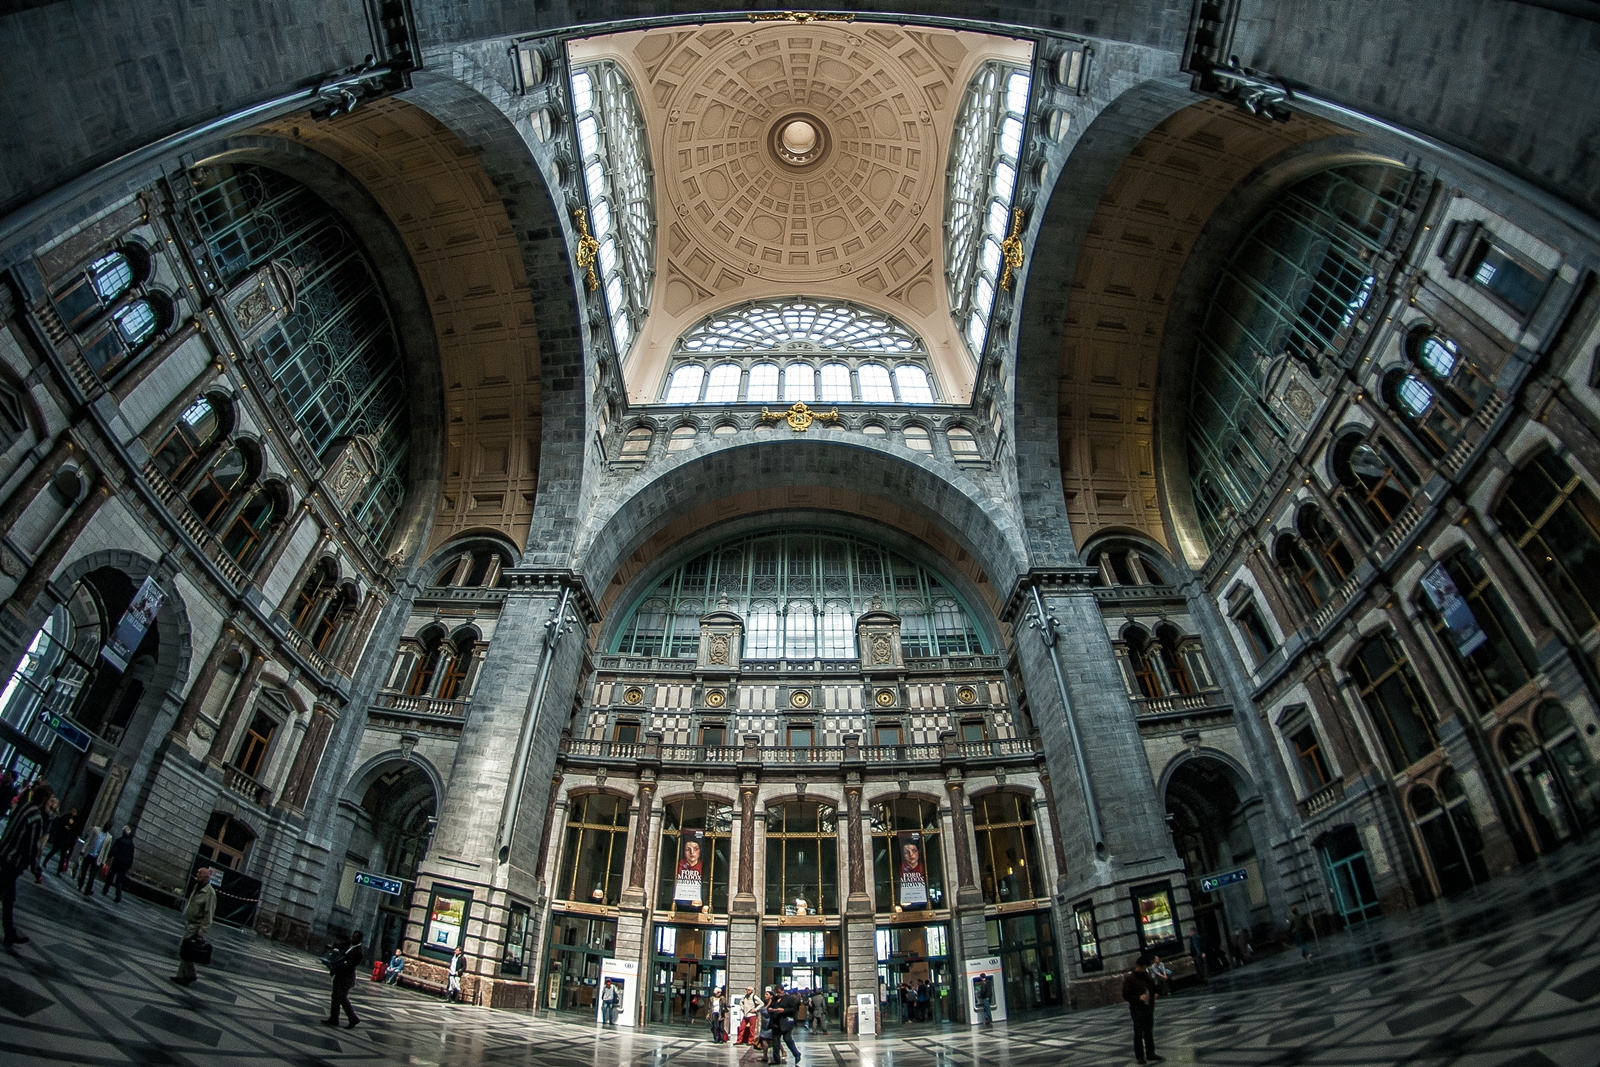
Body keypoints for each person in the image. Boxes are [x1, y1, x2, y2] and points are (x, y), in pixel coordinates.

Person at [0, 781, 54, 946]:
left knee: (9, 897)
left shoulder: (24, 807)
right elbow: (31, 847)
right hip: (13, 861)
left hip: (4, 854)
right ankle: (10, 933)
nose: (52, 805)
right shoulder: (36, 818)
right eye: (51, 800)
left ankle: (10, 932)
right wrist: (36, 870)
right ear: (44, 799)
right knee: (5, 894)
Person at [170, 865, 216, 985]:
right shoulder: (197, 887)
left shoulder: (209, 893)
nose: (197, 875)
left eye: (200, 873)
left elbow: (208, 914)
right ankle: (188, 975)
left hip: (196, 925)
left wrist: (202, 930)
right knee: (187, 950)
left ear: (206, 876)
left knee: (185, 948)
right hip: (190, 923)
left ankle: (186, 976)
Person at [1121, 953, 1162, 1065]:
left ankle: (1150, 1053)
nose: (1144, 969)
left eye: (1145, 968)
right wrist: (1138, 998)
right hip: (1137, 1008)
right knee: (1138, 1032)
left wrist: (1155, 993)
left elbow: (1153, 987)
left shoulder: (1147, 976)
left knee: (1148, 1031)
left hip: (1148, 1007)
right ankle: (1140, 1056)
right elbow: (1126, 995)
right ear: (1137, 966)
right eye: (1143, 967)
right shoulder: (1130, 978)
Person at [325, 929, 364, 1028]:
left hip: (346, 977)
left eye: (355, 938)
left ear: (359, 940)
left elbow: (350, 965)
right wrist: (332, 947)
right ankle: (334, 1018)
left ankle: (353, 1019)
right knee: (335, 997)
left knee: (342, 998)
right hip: (340, 975)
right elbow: (339, 946)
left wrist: (339, 966)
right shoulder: (349, 945)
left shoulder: (358, 952)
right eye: (352, 936)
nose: (352, 939)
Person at [41, 806, 78, 874]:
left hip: (66, 840)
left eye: (75, 812)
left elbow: (74, 831)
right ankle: (45, 861)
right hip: (60, 838)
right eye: (73, 811)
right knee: (54, 851)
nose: (73, 813)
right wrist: (63, 827)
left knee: (63, 856)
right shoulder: (65, 817)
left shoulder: (75, 821)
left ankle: (59, 871)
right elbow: (59, 824)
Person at [770, 985, 802, 1065]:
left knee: (787, 1039)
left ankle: (796, 1054)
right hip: (775, 1022)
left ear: (783, 991)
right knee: (775, 1041)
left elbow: (793, 1009)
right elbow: (771, 1006)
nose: (778, 994)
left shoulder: (789, 999)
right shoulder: (774, 999)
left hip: (785, 1022)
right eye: (777, 992)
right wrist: (770, 1009)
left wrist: (783, 1010)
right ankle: (776, 1059)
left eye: (779, 992)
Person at [101, 826, 135, 901]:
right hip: (124, 865)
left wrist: (108, 857)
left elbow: (114, 850)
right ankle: (118, 896)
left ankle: (105, 890)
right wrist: (129, 865)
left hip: (117, 862)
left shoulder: (120, 840)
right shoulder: (131, 844)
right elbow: (131, 856)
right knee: (119, 881)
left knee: (110, 877)